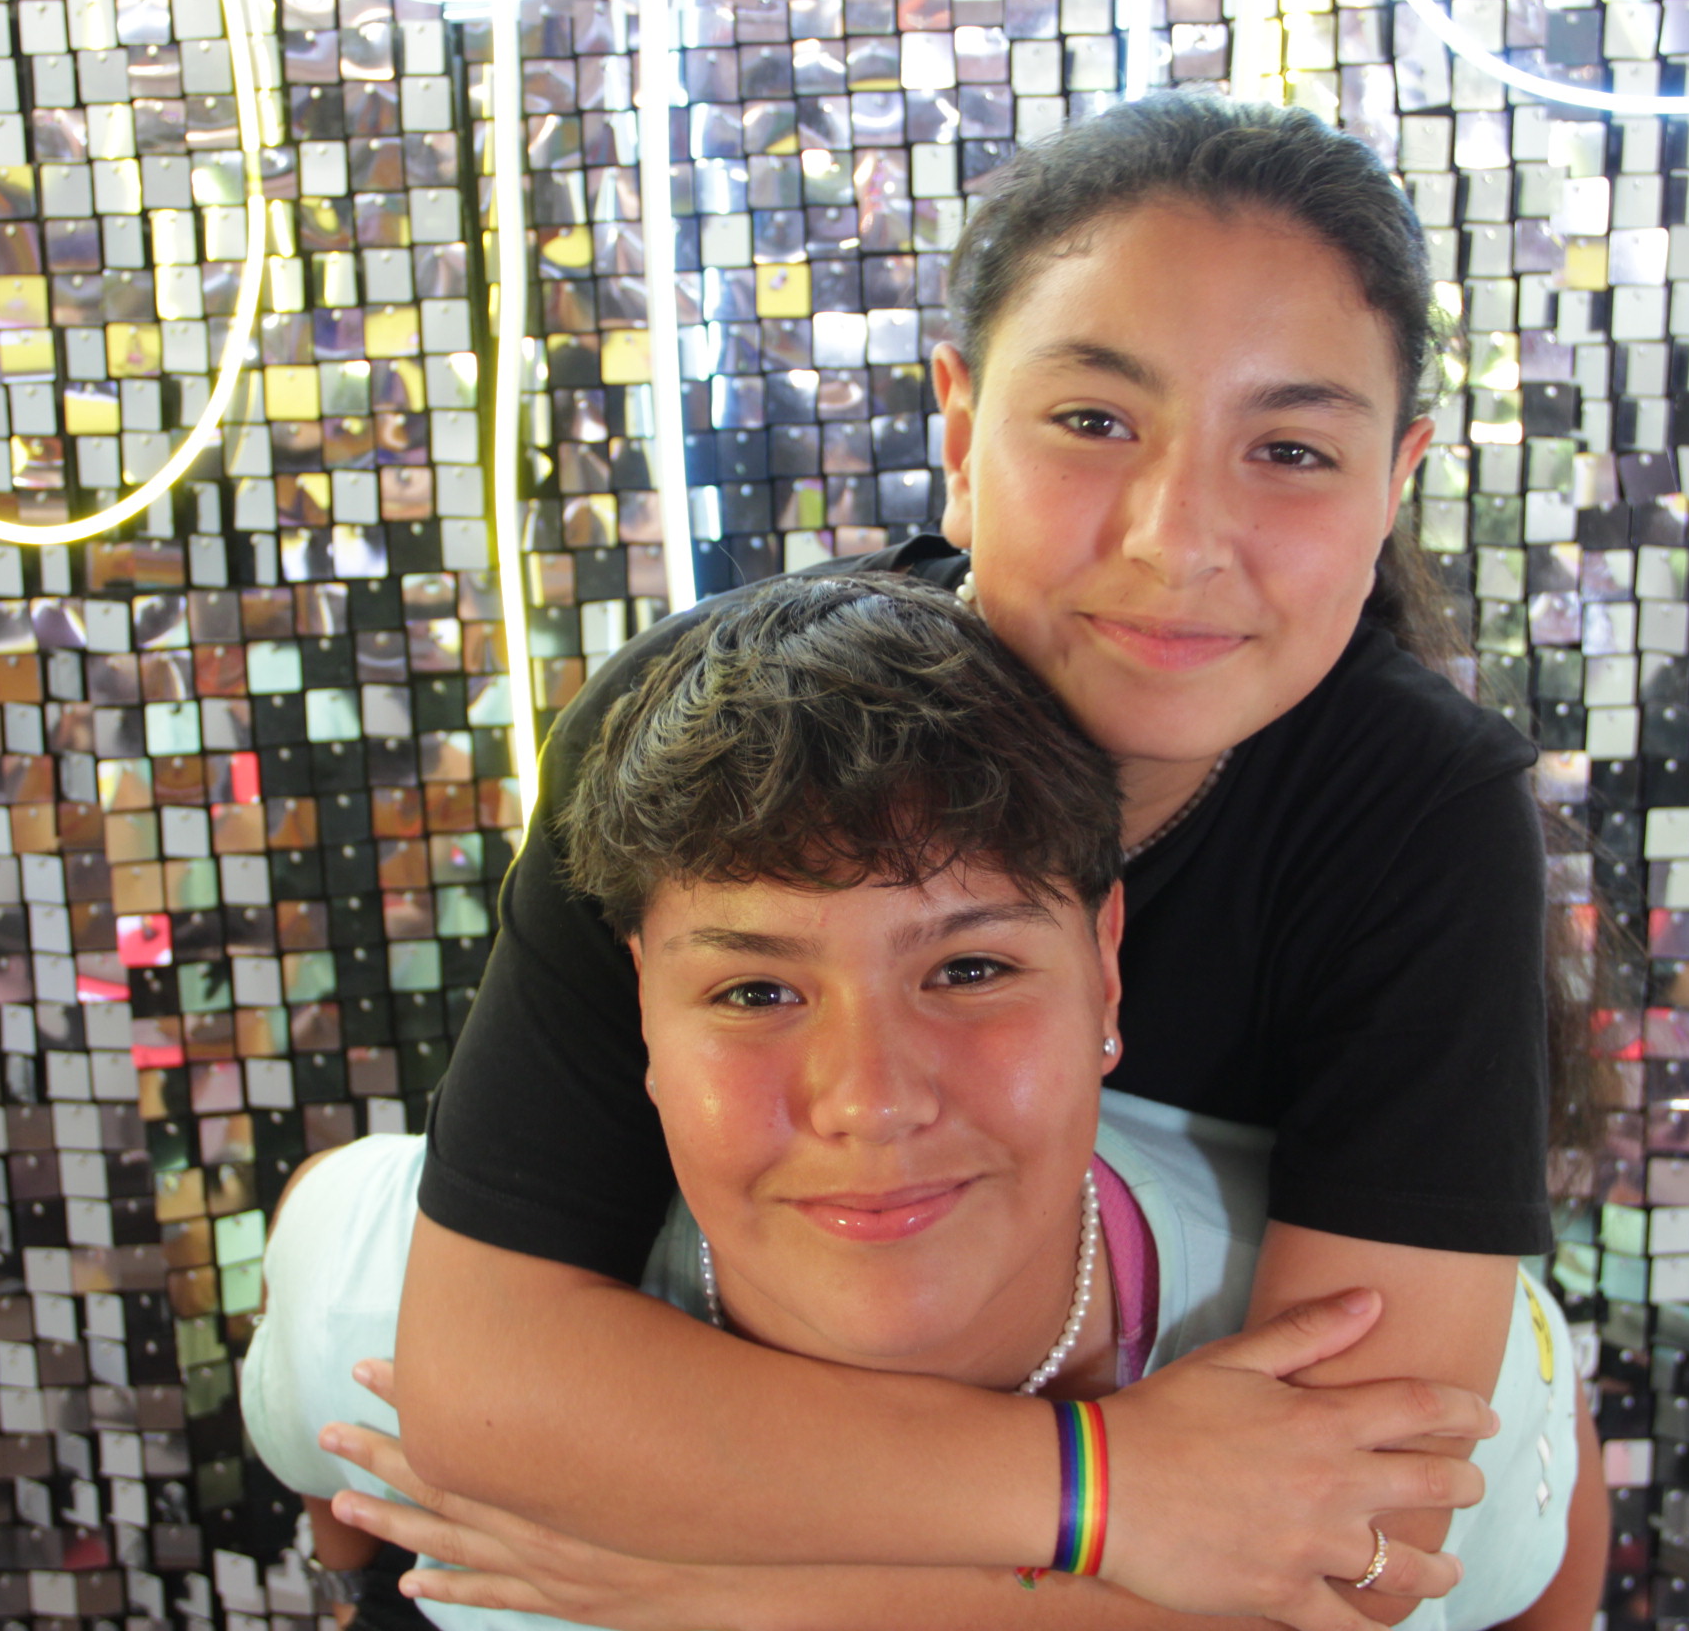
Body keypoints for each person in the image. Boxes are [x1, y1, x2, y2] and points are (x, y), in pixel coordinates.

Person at [376, 92, 1608, 1626]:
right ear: (960, 429)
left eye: (1291, 448)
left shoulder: (1417, 817)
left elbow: (1345, 1530)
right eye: (1094, 422)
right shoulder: (701, 734)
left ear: (1395, 478)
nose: (1177, 538)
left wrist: (714, 1591)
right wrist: (1110, 1491)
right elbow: (491, 1383)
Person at [244, 576, 1590, 1631]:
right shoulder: (375, 1323)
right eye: (755, 992)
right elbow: (324, 1266)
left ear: (1108, 967)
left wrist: (712, 1595)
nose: (870, 1103)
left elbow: (1530, 1530)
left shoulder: (1387, 1411)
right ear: (632, 1005)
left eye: (969, 970)